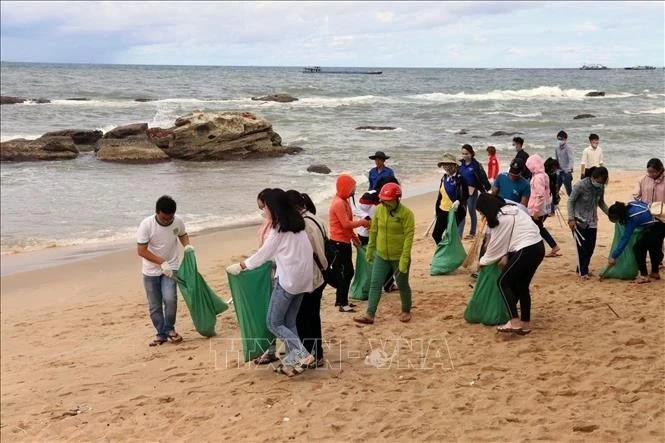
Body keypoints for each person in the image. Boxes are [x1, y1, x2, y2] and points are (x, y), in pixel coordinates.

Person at [226, 189, 316, 377]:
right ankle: (292, 363)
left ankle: (304, 354)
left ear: (273, 207)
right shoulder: (298, 227)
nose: (263, 210)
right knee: (289, 322)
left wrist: (241, 266)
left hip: (288, 282)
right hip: (303, 282)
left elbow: (262, 255)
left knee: (273, 323)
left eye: (264, 206)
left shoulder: (279, 230)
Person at [477, 193, 545, 335]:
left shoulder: (502, 219)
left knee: (503, 282)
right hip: (538, 247)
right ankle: (525, 324)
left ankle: (513, 322)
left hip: (526, 249)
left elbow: (495, 246)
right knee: (522, 286)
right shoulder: (514, 209)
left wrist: (482, 262)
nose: (482, 216)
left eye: (482, 212)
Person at [354, 183, 415, 325]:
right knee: (375, 283)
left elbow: (409, 237)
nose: (385, 204)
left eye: (389, 201)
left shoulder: (406, 214)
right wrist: (370, 249)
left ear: (397, 199)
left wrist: (404, 258)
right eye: (383, 201)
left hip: (399, 256)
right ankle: (370, 314)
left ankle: (406, 310)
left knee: (402, 284)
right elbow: (374, 231)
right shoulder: (379, 210)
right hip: (381, 256)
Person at [137, 195, 190, 347]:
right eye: (164, 218)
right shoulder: (146, 225)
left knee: (170, 299)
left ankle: (170, 329)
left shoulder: (178, 221)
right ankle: (161, 334)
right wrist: (161, 262)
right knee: (155, 305)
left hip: (171, 267)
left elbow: (183, 235)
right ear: (157, 213)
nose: (167, 221)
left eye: (170, 218)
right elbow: (141, 250)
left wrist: (187, 247)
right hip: (151, 270)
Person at [286, 190, 328, 368]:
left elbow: (307, 254)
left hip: (310, 277)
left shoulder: (303, 225)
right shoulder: (316, 219)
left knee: (303, 317)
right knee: (313, 315)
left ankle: (310, 353)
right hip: (321, 274)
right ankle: (317, 353)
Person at [329, 174, 370, 312]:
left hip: (344, 241)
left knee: (346, 272)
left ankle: (341, 300)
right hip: (338, 243)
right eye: (352, 187)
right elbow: (346, 224)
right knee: (346, 273)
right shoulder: (339, 203)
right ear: (345, 187)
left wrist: (354, 238)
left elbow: (346, 225)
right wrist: (362, 222)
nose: (354, 190)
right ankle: (342, 303)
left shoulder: (344, 201)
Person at [567, 166, 609, 279]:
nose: (600, 183)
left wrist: (610, 214)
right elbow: (570, 201)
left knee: (591, 247)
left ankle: (581, 267)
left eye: (603, 182)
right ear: (593, 177)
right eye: (599, 181)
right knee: (582, 247)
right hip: (578, 220)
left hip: (592, 221)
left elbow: (601, 203)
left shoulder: (601, 187)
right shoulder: (580, 185)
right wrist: (571, 219)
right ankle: (583, 272)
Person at [607, 201, 660, 283]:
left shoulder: (632, 218)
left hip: (656, 226)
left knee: (638, 248)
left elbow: (625, 238)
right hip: (659, 221)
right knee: (652, 246)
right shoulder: (631, 204)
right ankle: (655, 272)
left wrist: (614, 256)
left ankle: (644, 276)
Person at [632, 158, 665, 272]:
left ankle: (652, 270)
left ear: (660, 169)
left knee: (655, 244)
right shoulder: (643, 180)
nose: (651, 174)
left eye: (653, 172)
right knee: (652, 244)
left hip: (661, 219)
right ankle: (655, 271)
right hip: (646, 218)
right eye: (649, 171)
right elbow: (636, 196)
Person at [526, 154, 561, 257]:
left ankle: (552, 247)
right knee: (538, 228)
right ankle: (553, 246)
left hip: (537, 209)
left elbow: (540, 195)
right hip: (544, 207)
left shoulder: (538, 177)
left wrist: (536, 210)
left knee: (537, 229)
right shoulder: (544, 175)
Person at [433, 152, 469, 244]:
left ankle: (450, 254)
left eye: (448, 164)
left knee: (451, 236)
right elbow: (441, 194)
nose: (446, 167)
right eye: (444, 164)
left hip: (454, 212)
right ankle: (442, 251)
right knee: (436, 234)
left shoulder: (460, 179)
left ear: (454, 165)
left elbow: (466, 194)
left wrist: (458, 201)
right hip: (442, 210)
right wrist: (436, 208)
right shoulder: (444, 178)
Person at [459, 144, 491, 240]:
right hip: (461, 191)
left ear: (471, 153)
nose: (464, 155)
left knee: (472, 212)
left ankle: (472, 232)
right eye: (463, 153)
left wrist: (487, 188)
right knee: (461, 212)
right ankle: (459, 234)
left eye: (466, 153)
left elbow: (482, 177)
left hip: (472, 192)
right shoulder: (460, 164)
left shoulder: (476, 165)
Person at [554, 130, 575, 196]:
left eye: (561, 139)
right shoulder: (556, 148)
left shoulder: (569, 148)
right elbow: (556, 159)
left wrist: (570, 169)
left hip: (566, 172)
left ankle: (573, 205)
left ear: (565, 139)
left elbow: (571, 159)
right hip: (559, 172)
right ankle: (554, 205)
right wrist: (555, 169)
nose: (560, 140)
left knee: (569, 191)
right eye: (559, 139)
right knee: (555, 190)